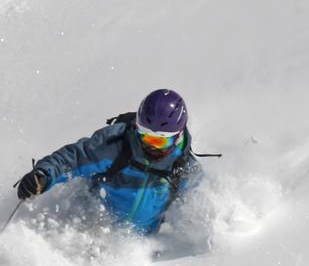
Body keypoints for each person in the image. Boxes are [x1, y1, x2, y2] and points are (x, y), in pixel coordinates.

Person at [15, 89, 204, 235]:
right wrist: (43, 175)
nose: (149, 145)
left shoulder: (183, 168)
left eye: (158, 140)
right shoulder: (116, 144)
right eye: (144, 135)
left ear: (177, 137)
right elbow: (74, 158)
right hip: (89, 226)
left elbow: (192, 208)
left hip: (140, 250)